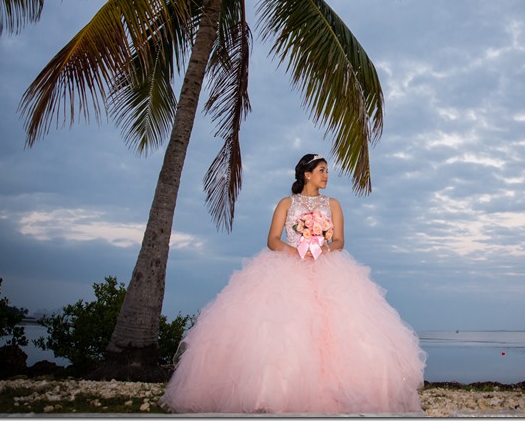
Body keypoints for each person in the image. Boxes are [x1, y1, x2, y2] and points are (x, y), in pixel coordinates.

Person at [159, 154, 426, 414]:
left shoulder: (333, 204)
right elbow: (273, 239)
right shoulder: (287, 203)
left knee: (336, 330)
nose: (326, 175)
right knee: (281, 330)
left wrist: (320, 249)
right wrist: (296, 251)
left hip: (326, 267)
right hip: (288, 266)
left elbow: (340, 241)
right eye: (322, 170)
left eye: (327, 171)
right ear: (307, 174)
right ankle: (271, 394)